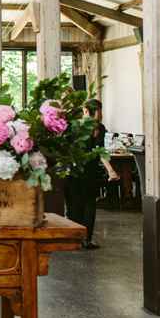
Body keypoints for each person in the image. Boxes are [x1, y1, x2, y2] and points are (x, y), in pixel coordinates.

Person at [65, 98, 119, 250]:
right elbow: (100, 152)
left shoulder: (75, 126)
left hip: (75, 171)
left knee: (74, 206)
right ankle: (86, 240)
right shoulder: (100, 128)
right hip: (91, 172)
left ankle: (73, 239)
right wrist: (110, 170)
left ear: (86, 110)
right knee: (89, 205)